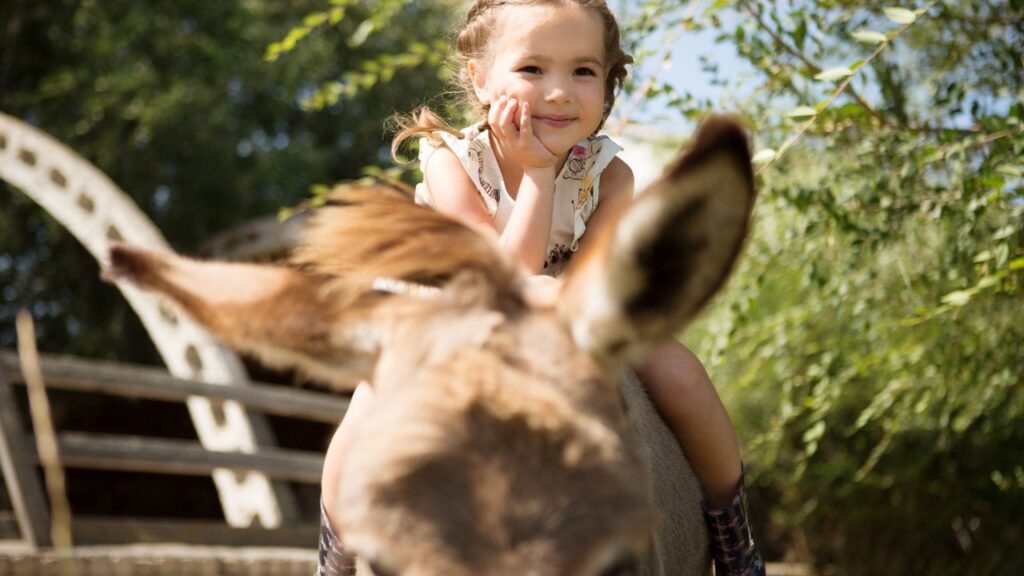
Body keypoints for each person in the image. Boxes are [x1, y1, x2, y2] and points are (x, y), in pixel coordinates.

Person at [317, 2, 765, 575]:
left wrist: (566, 280)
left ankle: (735, 543)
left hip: (568, 312)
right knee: (367, 409)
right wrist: (536, 174)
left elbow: (594, 279)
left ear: (607, 83)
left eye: (583, 71)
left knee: (681, 374)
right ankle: (335, 556)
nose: (558, 92)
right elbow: (497, 279)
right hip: (457, 310)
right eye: (532, 70)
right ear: (480, 77)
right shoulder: (450, 162)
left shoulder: (610, 173)